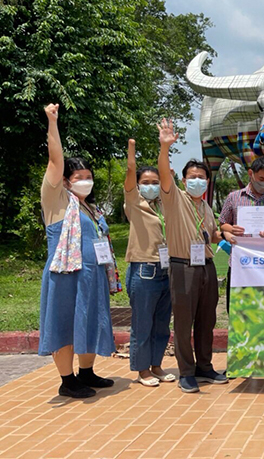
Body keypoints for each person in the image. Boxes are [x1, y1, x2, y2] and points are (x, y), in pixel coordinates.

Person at [39, 104, 115, 398]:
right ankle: (67, 381)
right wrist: (52, 122)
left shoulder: (90, 207)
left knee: (90, 320)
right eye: (79, 176)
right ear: (66, 180)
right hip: (66, 274)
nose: (86, 180)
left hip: (92, 273)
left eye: (88, 175)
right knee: (65, 324)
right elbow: (55, 160)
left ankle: (86, 373)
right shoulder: (56, 199)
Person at [156, 119, 227, 393]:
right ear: (184, 180)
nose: (198, 181)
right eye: (192, 177)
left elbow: (211, 236)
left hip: (207, 267)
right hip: (183, 266)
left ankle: (204, 366)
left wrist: (229, 233)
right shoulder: (175, 198)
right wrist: (165, 148)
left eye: (202, 177)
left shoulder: (206, 208)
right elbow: (164, 175)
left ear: (208, 182)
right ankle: (186, 371)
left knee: (207, 320)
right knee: (184, 321)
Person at [123, 138, 175, 387]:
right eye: (146, 183)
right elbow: (131, 171)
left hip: (166, 269)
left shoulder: (165, 205)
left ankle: (157, 365)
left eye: (155, 183)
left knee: (162, 323)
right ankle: (142, 369)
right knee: (142, 324)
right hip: (143, 269)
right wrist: (132, 149)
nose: (151, 187)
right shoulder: (134, 203)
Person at [218, 156, 264, 312]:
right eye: (261, 178)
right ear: (251, 173)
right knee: (237, 311)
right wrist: (231, 229)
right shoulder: (234, 197)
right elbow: (223, 224)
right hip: (240, 264)